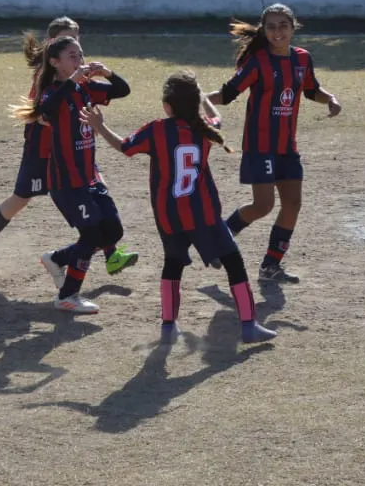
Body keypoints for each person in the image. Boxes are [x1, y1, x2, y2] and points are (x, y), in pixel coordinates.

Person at [81, 72, 277, 344]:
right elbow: (217, 120)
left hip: (169, 216)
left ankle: (168, 326)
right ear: (195, 103)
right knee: (233, 262)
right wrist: (207, 101)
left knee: (173, 265)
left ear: (167, 106)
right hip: (204, 213)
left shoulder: (157, 129)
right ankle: (248, 324)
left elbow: (125, 147)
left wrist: (99, 126)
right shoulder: (203, 129)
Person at [0, 16, 139, 278]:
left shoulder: (78, 73)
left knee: (97, 188)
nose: (76, 49)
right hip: (43, 149)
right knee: (21, 199)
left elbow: (112, 91)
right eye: (66, 41)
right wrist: (50, 117)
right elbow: (39, 111)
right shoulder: (47, 76)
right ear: (52, 46)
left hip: (74, 150)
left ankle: (110, 252)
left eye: (77, 41)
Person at [206, 4, 342, 283]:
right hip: (260, 145)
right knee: (263, 205)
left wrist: (330, 99)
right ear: (264, 30)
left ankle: (271, 266)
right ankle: (218, 239)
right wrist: (200, 100)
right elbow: (229, 93)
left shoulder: (302, 59)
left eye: (283, 26)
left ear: (293, 27)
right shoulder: (258, 61)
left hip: (287, 146)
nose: (277, 32)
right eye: (271, 26)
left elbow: (311, 89)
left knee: (292, 204)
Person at [14, 36, 131, 314]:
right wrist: (72, 82)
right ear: (55, 63)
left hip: (89, 177)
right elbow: (47, 109)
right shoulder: (52, 91)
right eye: (72, 56)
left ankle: (56, 259)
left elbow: (122, 90)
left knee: (113, 231)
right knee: (90, 235)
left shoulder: (86, 88)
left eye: (81, 54)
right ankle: (67, 296)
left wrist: (107, 73)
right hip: (66, 181)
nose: (80, 60)